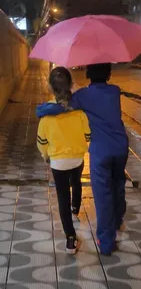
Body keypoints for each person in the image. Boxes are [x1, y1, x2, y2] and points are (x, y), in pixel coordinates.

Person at [37, 63, 129, 256]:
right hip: (121, 147)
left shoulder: (83, 96)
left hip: (100, 151)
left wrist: (42, 110)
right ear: (109, 74)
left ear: (88, 74)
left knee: (103, 193)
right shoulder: (114, 91)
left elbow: (60, 108)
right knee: (118, 182)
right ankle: (118, 219)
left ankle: (106, 241)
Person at [37, 67, 90, 255]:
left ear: (50, 86)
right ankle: (76, 207)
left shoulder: (46, 115)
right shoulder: (79, 112)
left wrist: (46, 155)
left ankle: (70, 238)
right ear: (71, 85)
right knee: (76, 181)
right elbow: (88, 135)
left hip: (58, 163)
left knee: (62, 197)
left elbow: (41, 142)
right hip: (76, 158)